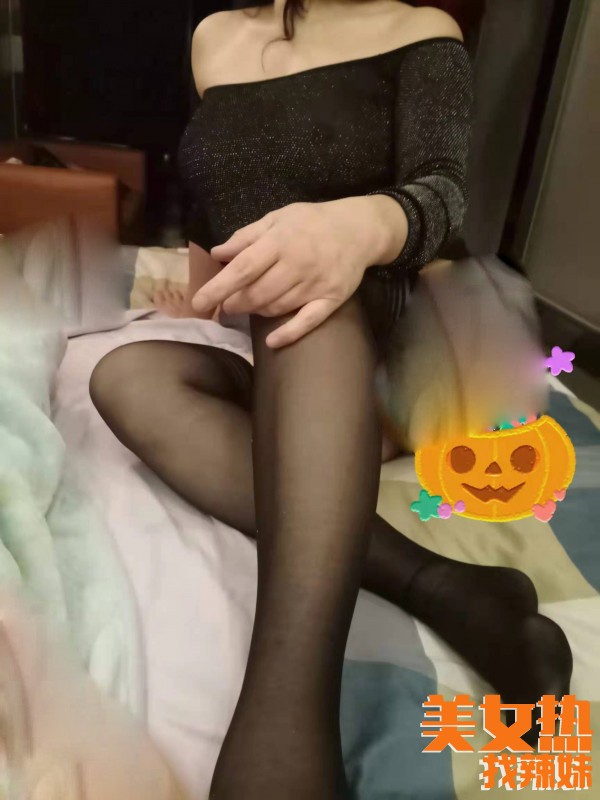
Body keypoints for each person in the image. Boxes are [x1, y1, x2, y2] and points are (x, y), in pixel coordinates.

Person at [89, 2, 573, 798]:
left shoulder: (421, 28)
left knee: (306, 295)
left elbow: (446, 192)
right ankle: (452, 590)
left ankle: (286, 740)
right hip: (308, 355)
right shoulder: (213, 37)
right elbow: (219, 196)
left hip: (424, 333)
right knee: (128, 378)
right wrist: (206, 285)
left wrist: (356, 228)